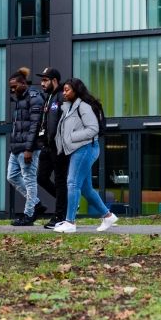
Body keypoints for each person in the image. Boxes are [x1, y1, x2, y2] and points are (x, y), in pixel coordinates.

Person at [54, 78, 118, 233]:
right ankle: (108, 216)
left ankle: (70, 222)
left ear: (76, 91)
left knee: (72, 183)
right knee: (85, 188)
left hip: (86, 148)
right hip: (78, 149)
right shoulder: (69, 107)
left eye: (67, 90)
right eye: (64, 90)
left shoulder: (83, 106)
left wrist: (71, 137)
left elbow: (93, 129)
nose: (64, 92)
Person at [7, 67, 46, 226]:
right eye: (11, 87)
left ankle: (29, 215)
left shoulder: (34, 97)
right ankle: (36, 204)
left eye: (15, 86)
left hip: (28, 149)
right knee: (12, 176)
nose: (12, 89)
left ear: (23, 83)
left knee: (29, 180)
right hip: (16, 148)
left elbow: (35, 126)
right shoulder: (20, 99)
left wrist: (29, 149)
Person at [36, 67, 69, 229]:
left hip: (59, 147)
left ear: (54, 80)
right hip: (47, 146)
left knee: (60, 180)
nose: (42, 83)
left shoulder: (62, 96)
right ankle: (67, 203)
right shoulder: (48, 97)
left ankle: (59, 216)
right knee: (41, 178)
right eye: (42, 80)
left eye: (45, 80)